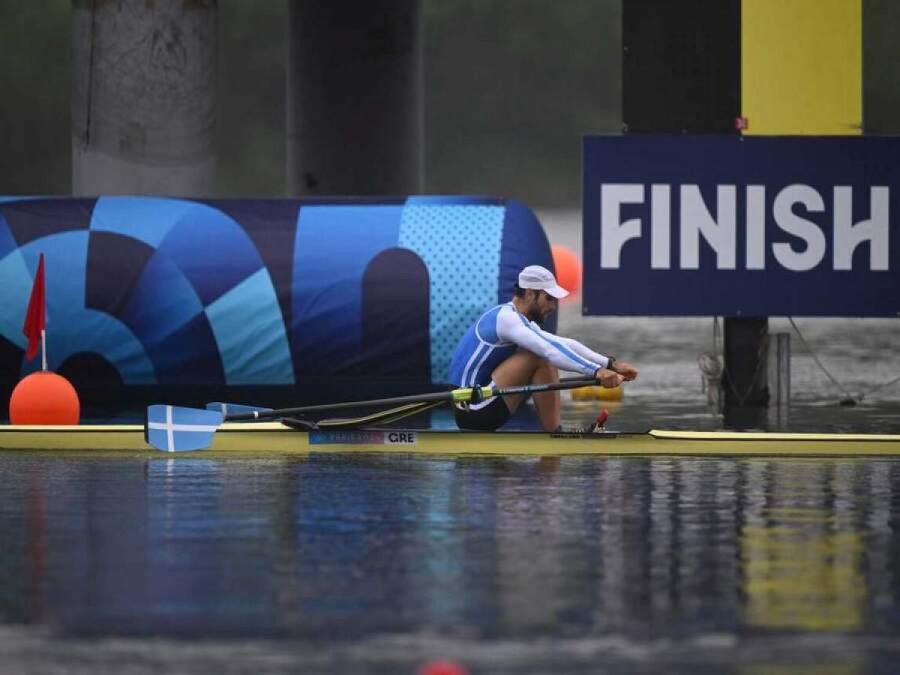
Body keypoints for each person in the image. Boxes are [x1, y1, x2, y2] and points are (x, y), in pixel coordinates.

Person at [448, 264, 638, 432]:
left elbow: (564, 344)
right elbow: (548, 351)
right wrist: (596, 372)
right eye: (549, 298)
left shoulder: (519, 320)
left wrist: (611, 365)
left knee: (543, 353)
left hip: (483, 402)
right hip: (471, 407)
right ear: (530, 293)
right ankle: (556, 432)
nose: (554, 306)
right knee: (537, 356)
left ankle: (556, 432)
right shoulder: (506, 319)